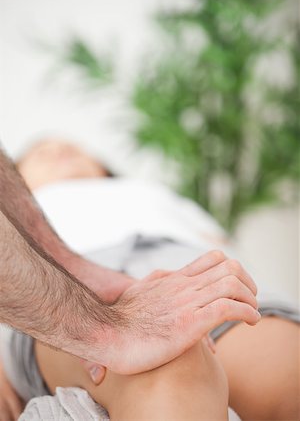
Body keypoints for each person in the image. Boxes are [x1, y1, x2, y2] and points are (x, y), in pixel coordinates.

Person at [0, 139, 299, 420]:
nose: (57, 150)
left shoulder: (151, 192)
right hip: (56, 286)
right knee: (171, 366)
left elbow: (224, 245)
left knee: (286, 375)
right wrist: (102, 324)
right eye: (40, 152)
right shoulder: (15, 226)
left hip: (185, 266)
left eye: (71, 147)